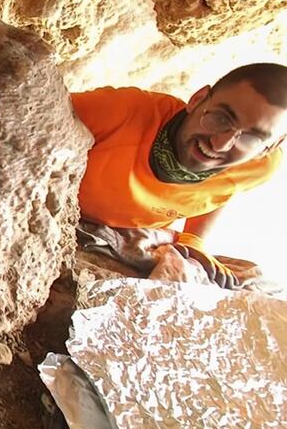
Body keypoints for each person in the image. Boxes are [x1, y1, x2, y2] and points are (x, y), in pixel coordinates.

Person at [72, 64, 287, 287]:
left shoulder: (258, 166)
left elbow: (222, 190)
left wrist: (194, 240)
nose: (219, 144)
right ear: (197, 99)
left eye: (251, 138)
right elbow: (38, 117)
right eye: (221, 118)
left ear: (269, 147)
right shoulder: (119, 112)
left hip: (139, 232)